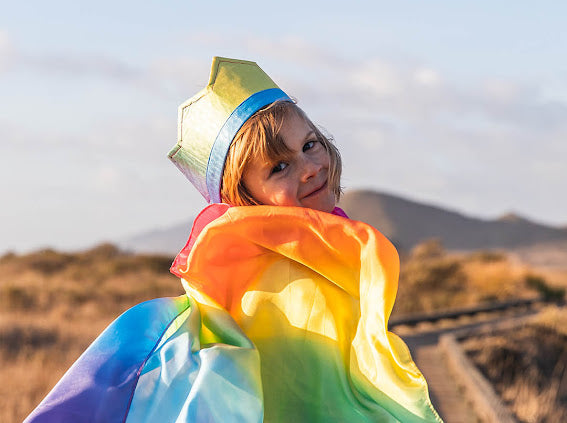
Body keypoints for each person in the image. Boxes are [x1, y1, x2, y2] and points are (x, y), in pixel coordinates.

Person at [25, 57, 442, 423]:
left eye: (310, 144)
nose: (310, 167)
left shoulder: (330, 243)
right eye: (279, 167)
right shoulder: (275, 279)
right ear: (244, 198)